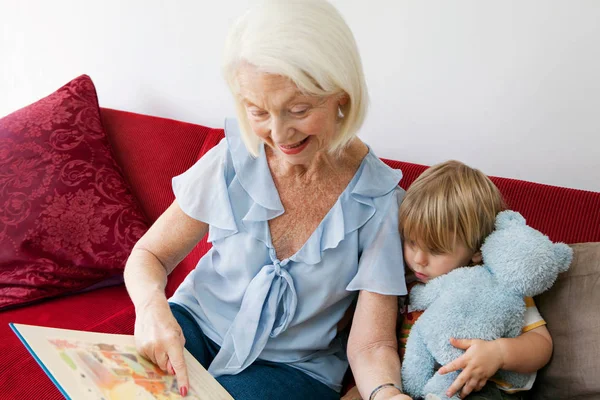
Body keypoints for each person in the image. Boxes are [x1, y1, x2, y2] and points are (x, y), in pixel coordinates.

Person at [124, 1, 411, 399]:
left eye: (297, 109)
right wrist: (151, 307)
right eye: (258, 111)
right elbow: (150, 256)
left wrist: (385, 393)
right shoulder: (231, 158)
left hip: (293, 368)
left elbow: (371, 344)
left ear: (341, 95)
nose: (279, 134)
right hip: (196, 324)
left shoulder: (379, 200)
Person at [397, 161, 552, 399]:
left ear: (477, 249)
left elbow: (542, 346)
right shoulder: (402, 279)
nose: (418, 259)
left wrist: (498, 353)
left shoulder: (494, 288)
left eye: (436, 249)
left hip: (476, 387)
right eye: (411, 241)